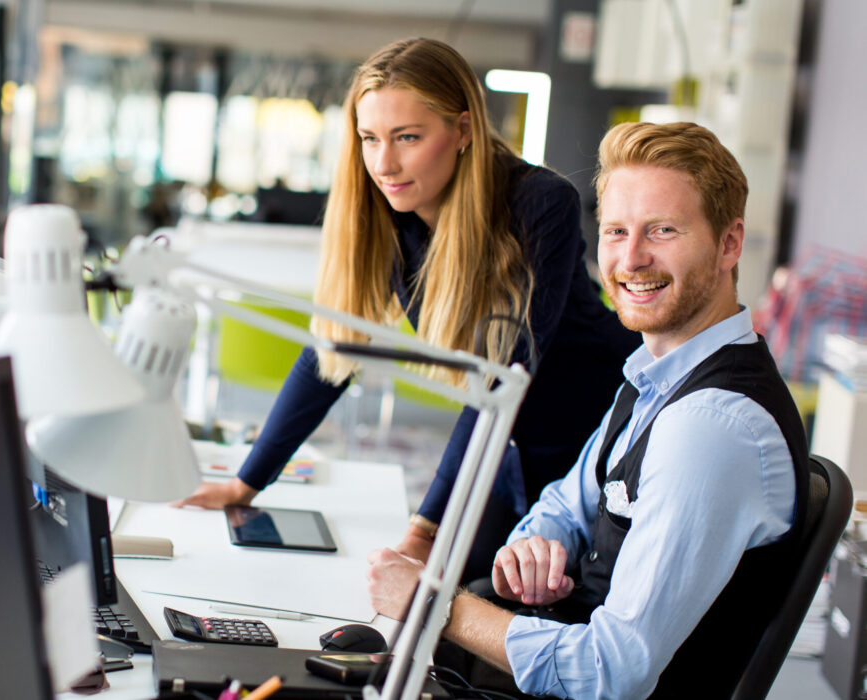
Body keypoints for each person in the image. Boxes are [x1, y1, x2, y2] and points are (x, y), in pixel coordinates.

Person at [366, 121, 809, 699]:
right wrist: (538, 544)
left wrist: (434, 605)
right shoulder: (652, 379)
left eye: (663, 230)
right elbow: (566, 501)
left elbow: (612, 670)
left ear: (729, 243)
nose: (630, 259)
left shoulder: (709, 426)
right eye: (616, 230)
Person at [176, 37, 638, 581]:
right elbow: (331, 354)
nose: (383, 163)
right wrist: (248, 482)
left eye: (408, 138)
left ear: (463, 130)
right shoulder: (392, 215)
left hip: (599, 440)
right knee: (452, 602)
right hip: (505, 451)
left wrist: (424, 529)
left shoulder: (539, 203)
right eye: (370, 139)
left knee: (501, 605)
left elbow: (500, 380)